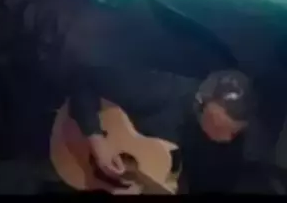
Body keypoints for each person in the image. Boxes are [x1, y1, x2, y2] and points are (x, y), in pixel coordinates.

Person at [67, 65, 254, 193]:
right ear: (200, 103)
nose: (227, 138)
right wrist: (96, 138)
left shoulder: (229, 152)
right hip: (81, 154)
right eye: (217, 125)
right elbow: (85, 78)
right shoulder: (163, 91)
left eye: (234, 132)